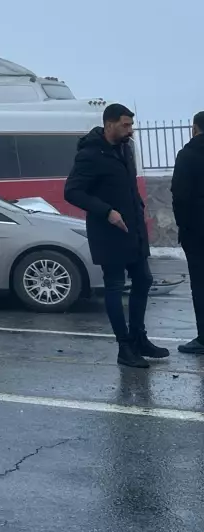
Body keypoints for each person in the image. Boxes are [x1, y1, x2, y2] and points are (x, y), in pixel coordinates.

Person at [65, 103, 169, 368]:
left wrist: (138, 210)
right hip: (108, 230)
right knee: (114, 284)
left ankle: (139, 338)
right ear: (109, 124)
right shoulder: (90, 154)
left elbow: (128, 186)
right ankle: (124, 347)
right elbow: (73, 192)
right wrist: (107, 211)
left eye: (131, 124)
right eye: (125, 125)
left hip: (132, 228)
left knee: (144, 279)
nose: (130, 129)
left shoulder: (125, 147)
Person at [172, 110, 204, 355]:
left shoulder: (188, 155)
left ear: (195, 128)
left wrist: (184, 227)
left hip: (197, 231)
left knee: (201, 284)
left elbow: (180, 196)